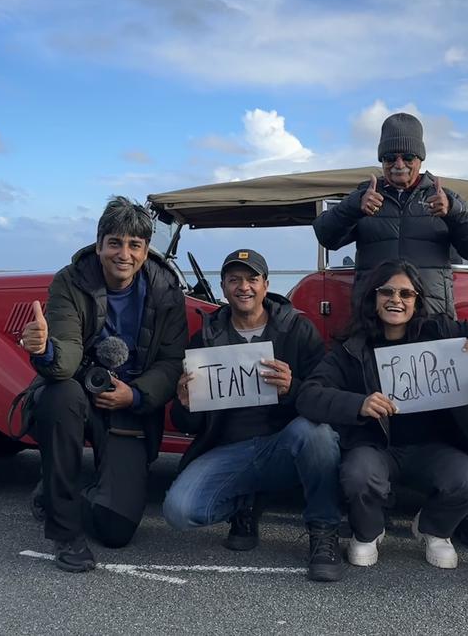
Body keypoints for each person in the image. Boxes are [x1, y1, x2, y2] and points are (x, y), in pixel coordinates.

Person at [296, 260, 468, 569]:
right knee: (358, 474)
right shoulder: (351, 348)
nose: (396, 300)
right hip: (375, 448)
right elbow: (309, 395)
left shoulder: (442, 332)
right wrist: (358, 403)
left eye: (406, 294)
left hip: (434, 448)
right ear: (372, 298)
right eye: (386, 291)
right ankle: (370, 530)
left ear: (417, 301)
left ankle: (433, 528)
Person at [21, 196, 187, 573]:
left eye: (134, 245)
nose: (123, 253)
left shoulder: (166, 291)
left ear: (146, 252)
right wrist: (44, 348)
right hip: (77, 390)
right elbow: (63, 363)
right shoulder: (70, 280)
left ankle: (55, 490)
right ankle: (65, 532)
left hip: (129, 403)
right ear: (99, 246)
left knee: (116, 530)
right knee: (59, 395)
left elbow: (171, 360)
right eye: (114, 243)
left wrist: (137, 394)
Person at [162, 249, 344, 582]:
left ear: (266, 285)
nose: (243, 287)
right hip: (229, 449)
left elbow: (326, 394)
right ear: (224, 287)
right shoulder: (206, 337)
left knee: (317, 435)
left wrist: (293, 386)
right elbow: (188, 425)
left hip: (284, 444)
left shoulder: (297, 329)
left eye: (252, 279)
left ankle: (323, 531)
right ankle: (243, 501)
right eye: (234, 280)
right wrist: (184, 402)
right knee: (179, 510)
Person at [312, 112, 468, 320]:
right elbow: (326, 236)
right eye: (390, 158)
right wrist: (354, 206)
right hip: (375, 318)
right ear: (382, 160)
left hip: (431, 317)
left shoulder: (444, 197)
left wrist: (454, 212)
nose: (399, 165)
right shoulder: (365, 197)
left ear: (420, 159)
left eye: (408, 157)